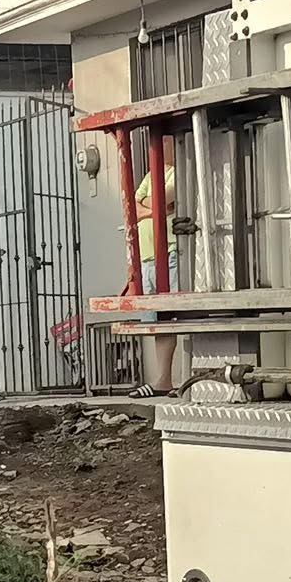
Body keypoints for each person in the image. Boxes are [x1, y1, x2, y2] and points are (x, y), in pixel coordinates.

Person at [129, 136, 178, 399]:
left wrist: (152, 204)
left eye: (162, 141)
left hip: (169, 252)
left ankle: (171, 377)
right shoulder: (150, 175)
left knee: (174, 315)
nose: (156, 148)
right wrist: (156, 209)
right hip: (148, 257)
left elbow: (163, 197)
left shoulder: (177, 172)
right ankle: (163, 378)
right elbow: (131, 207)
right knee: (158, 320)